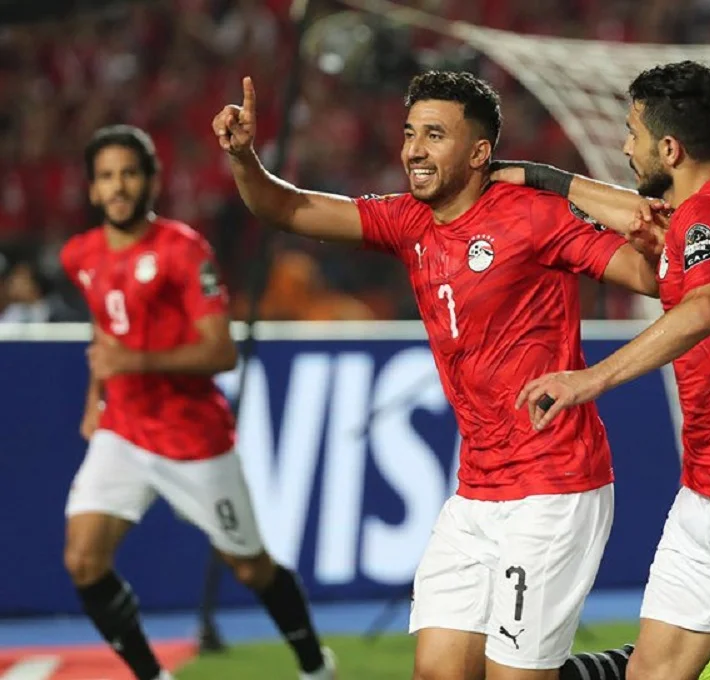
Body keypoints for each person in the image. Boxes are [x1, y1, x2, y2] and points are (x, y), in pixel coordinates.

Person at [212, 71, 665, 679]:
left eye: (434, 135)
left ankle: (645, 670)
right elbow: (287, 207)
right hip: (476, 491)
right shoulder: (408, 221)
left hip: (554, 485)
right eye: (409, 133)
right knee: (439, 673)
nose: (414, 151)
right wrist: (245, 158)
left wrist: (649, 237)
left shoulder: (534, 216)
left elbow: (646, 277)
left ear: (479, 153)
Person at [505, 60, 710, 680]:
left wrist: (589, 380)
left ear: (669, 148)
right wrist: (541, 177)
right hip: (708, 493)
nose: (624, 147)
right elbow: (639, 216)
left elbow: (705, 310)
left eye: (633, 133)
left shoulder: (706, 214)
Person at [60, 124, 335, 680]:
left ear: (152, 180)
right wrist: (95, 399)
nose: (118, 186)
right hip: (123, 431)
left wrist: (133, 362)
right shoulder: (80, 255)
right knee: (84, 560)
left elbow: (221, 352)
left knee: (250, 568)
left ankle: (314, 666)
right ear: (92, 189)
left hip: (193, 440)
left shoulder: (183, 250)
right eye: (107, 176)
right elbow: (105, 332)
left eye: (129, 174)